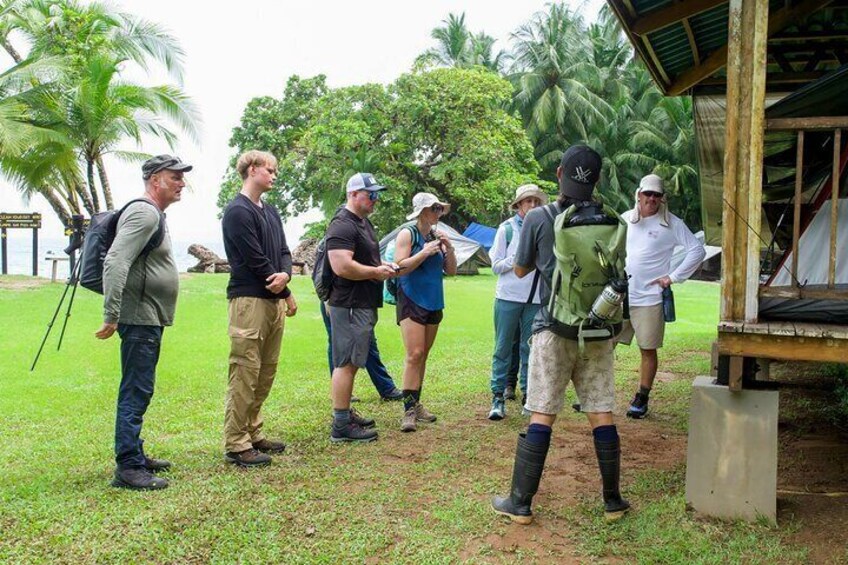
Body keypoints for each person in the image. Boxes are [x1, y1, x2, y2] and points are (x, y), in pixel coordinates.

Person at [492, 145, 630, 523]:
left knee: (542, 414)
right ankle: (612, 501)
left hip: (552, 327)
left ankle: (520, 503)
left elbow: (520, 270)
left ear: (559, 173)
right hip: (599, 329)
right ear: (597, 179)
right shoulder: (612, 220)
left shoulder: (538, 217)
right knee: (601, 412)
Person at [96, 154, 192, 490]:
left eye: (182, 177)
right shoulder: (143, 211)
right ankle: (128, 466)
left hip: (147, 317)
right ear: (154, 180)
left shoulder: (153, 214)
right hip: (138, 318)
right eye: (174, 177)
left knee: (139, 388)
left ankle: (134, 452)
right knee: (136, 390)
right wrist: (111, 314)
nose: (181, 183)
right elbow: (116, 260)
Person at [221, 150, 297, 467]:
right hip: (249, 301)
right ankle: (236, 442)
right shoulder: (237, 211)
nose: (274, 175)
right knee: (245, 371)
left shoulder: (271, 211)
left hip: (272, 301)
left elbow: (282, 250)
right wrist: (283, 286)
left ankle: (253, 431)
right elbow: (254, 259)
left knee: (266, 371)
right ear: (252, 170)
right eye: (270, 169)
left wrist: (286, 276)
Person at [618, 174, 705, 418]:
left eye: (657, 195)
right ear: (639, 194)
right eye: (648, 194)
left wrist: (673, 277)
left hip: (650, 298)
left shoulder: (671, 223)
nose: (652, 199)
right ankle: (597, 395)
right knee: (605, 345)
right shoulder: (626, 219)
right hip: (622, 295)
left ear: (662, 198)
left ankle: (642, 397)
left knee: (647, 348)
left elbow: (696, 250)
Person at [326, 172, 398, 443]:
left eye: (377, 194)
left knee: (354, 361)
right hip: (350, 303)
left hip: (361, 302)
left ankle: (344, 414)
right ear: (353, 194)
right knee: (346, 362)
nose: (375, 199)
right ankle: (341, 425)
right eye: (371, 194)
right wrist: (375, 272)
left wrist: (381, 268)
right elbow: (341, 266)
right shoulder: (342, 225)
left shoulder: (362, 223)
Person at [393, 193, 457, 432]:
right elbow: (399, 267)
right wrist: (423, 253)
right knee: (414, 353)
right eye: (435, 208)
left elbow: (451, 271)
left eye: (440, 209)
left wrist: (448, 248)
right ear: (422, 211)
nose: (439, 213)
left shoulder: (436, 236)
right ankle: (408, 410)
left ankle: (416, 403)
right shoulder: (407, 233)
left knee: (424, 355)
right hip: (411, 298)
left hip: (434, 300)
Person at [488, 184, 547, 420]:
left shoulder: (544, 227)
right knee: (502, 348)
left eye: (536, 201)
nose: (532, 205)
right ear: (519, 205)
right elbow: (495, 266)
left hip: (534, 298)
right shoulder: (507, 229)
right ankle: (497, 397)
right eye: (527, 201)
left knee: (530, 350)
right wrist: (519, 258)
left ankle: (528, 396)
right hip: (508, 297)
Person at [319, 301, 403, 401]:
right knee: (338, 344)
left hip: (359, 299)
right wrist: (325, 299)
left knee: (367, 341)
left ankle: (386, 388)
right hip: (339, 299)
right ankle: (341, 394)